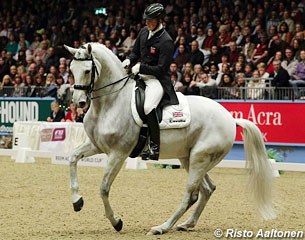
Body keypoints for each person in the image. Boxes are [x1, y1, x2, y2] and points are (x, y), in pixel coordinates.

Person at [122, 3, 179, 160]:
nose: (147, 23)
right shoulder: (143, 32)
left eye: (151, 21)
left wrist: (141, 68)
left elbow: (161, 68)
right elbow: (135, 53)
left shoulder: (166, 41)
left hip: (157, 80)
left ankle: (155, 147)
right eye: (146, 20)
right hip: (140, 75)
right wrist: (128, 60)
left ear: (159, 20)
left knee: (148, 107)